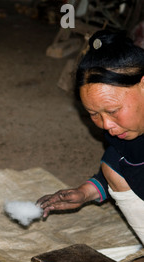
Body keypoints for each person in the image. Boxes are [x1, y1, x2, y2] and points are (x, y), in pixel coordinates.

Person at [37, 30, 144, 244]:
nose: (105, 125)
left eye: (113, 110)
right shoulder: (124, 131)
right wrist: (86, 192)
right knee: (112, 164)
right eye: (94, 114)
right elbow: (122, 159)